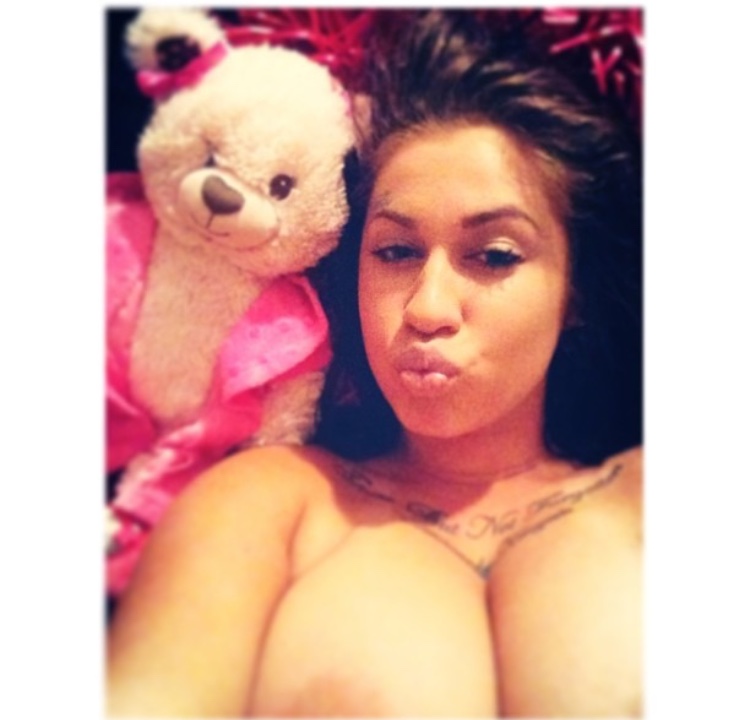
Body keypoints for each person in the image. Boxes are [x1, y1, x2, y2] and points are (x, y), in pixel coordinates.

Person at [106, 9, 643, 718]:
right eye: (395, 251)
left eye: (493, 255)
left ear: (573, 292)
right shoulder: (268, 506)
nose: (427, 306)